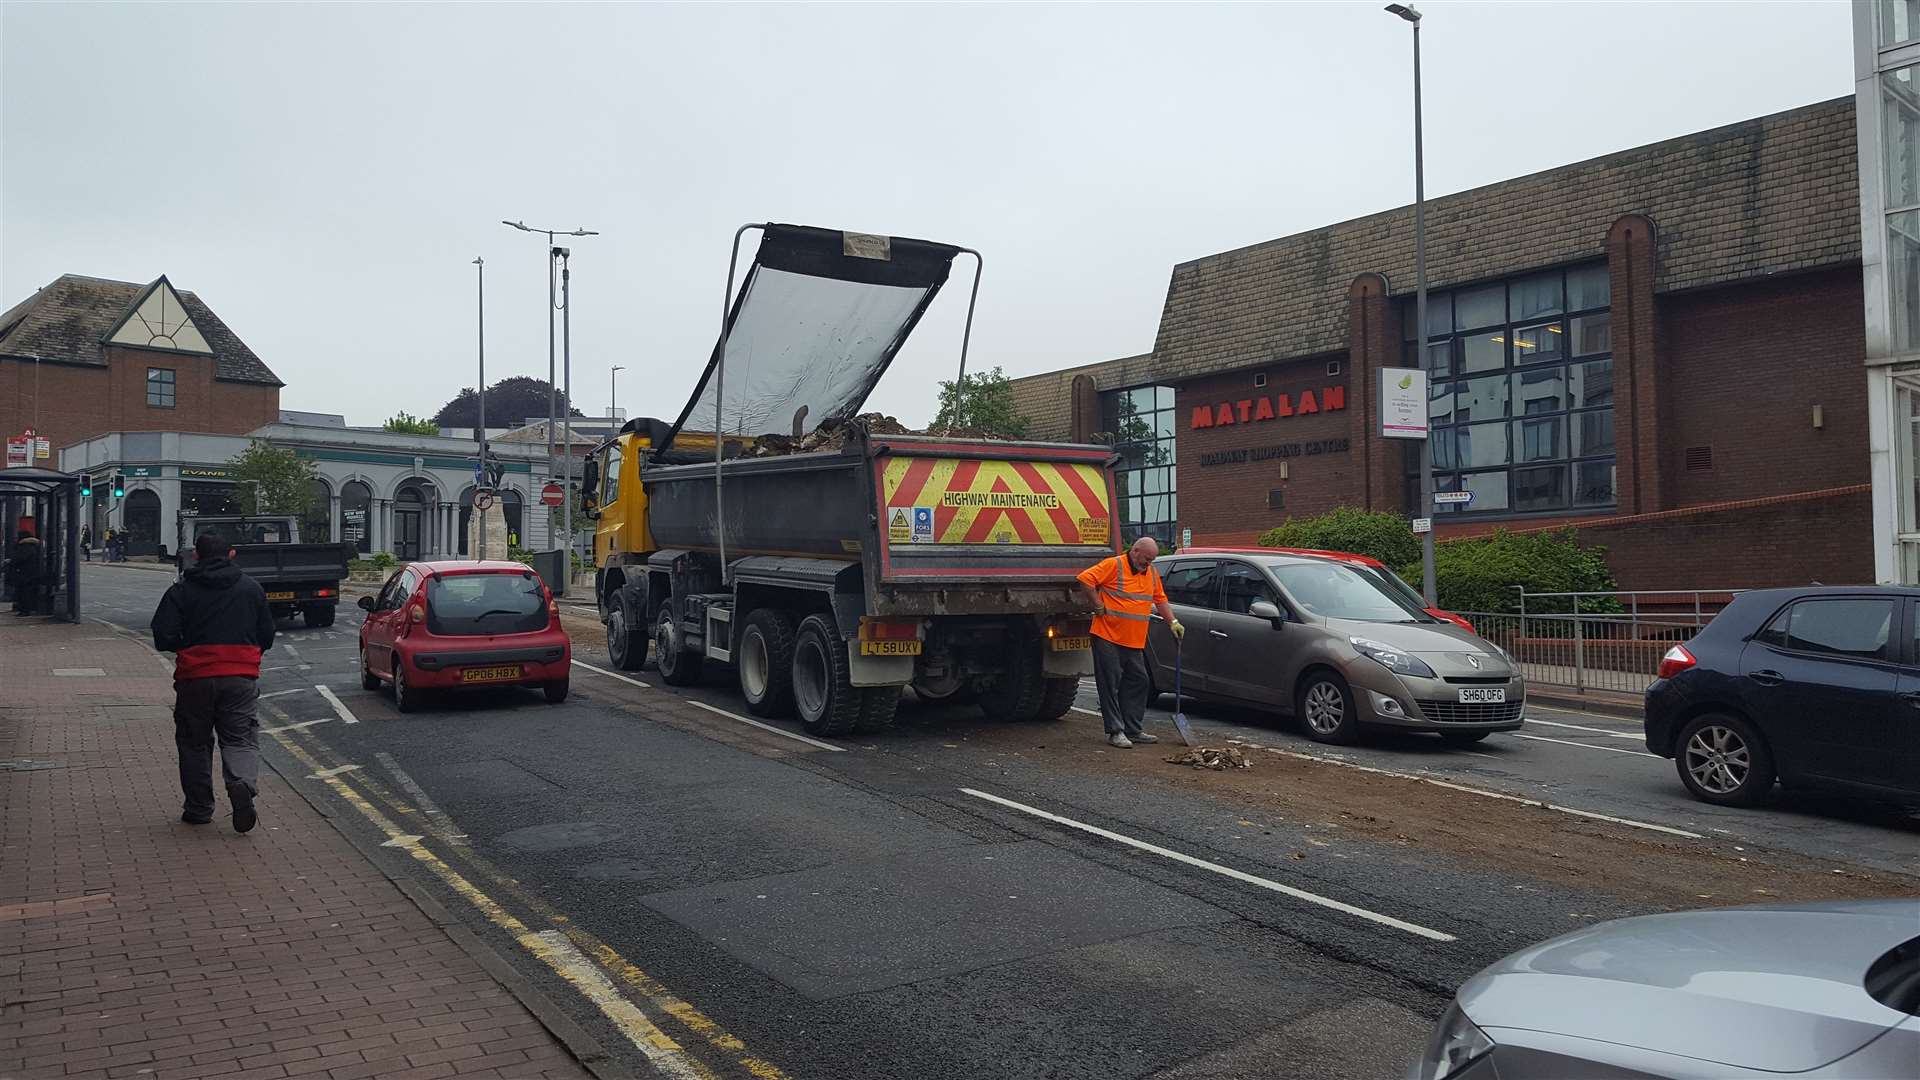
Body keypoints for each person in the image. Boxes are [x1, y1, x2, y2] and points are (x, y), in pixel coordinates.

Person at [151, 532, 275, 832]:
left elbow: (163, 636)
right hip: (240, 677)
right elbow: (267, 636)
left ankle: (199, 808)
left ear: (196, 555)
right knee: (240, 739)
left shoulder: (181, 591)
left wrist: (187, 642)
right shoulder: (251, 588)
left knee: (194, 743)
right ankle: (242, 784)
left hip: (195, 677)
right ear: (231, 554)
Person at [1076, 536, 1183, 748]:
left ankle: (1133, 729)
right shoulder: (1113, 565)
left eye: (1152, 560)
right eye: (1146, 559)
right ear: (1135, 551)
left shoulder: (1151, 572)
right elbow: (1085, 579)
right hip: (1107, 635)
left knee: (1139, 680)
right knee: (1110, 684)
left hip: (1134, 641)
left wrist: (1173, 622)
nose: (1148, 564)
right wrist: (1097, 604)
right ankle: (1116, 731)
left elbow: (1160, 599)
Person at [7, 531, 45, 616]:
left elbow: (19, 558)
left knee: (24, 593)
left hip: (25, 574)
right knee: (26, 592)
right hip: (31, 573)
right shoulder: (33, 545)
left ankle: (24, 610)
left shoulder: (25, 546)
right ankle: (26, 609)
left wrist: (11, 561)